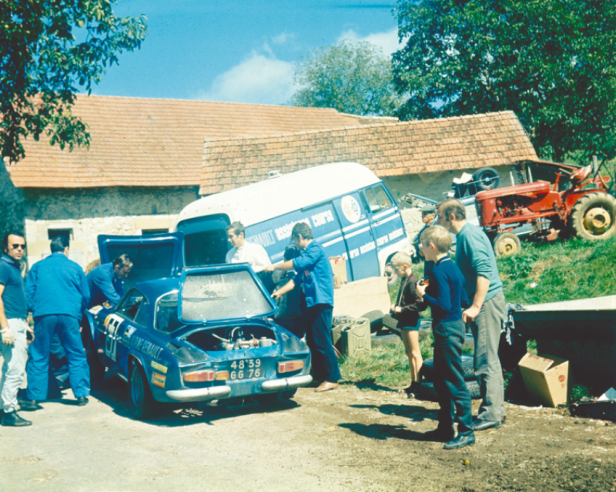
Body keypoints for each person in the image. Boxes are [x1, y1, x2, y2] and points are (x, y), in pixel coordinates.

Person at [437, 198, 507, 431]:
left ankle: (491, 414)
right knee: (487, 357)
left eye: (440, 216)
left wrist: (476, 306)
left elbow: (484, 271)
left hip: (486, 303)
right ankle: (496, 409)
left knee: (485, 359)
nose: (438, 221)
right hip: (484, 302)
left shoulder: (469, 236)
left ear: (451, 217)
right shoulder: (466, 235)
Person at [415, 225, 474, 450]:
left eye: (422, 243)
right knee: (440, 379)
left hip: (447, 329)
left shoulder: (439, 271)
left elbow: (444, 304)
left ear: (431, 246)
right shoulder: (452, 268)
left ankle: (466, 432)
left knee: (454, 380)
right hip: (454, 326)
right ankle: (445, 428)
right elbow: (462, 302)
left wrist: (424, 295)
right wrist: (432, 288)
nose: (420, 247)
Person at [264, 222, 341, 392]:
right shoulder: (307, 256)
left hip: (321, 302)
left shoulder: (315, 250)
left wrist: (275, 266)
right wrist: (278, 293)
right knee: (313, 340)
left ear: (299, 237)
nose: (295, 245)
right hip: (311, 302)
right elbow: (295, 281)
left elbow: (295, 264)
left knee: (322, 340)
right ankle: (320, 375)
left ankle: (332, 378)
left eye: (295, 240)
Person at [20, 236, 91, 409]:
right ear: (66, 249)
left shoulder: (37, 267)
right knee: (75, 353)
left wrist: (30, 312)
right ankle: (81, 395)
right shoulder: (75, 267)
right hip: (69, 314)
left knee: (39, 354)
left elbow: (28, 294)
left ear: (51, 249)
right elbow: (86, 295)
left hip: (44, 314)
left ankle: (35, 397)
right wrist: (78, 312)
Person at [0, 232, 32, 426]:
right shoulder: (4, 266)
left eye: (22, 246)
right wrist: (5, 328)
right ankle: (9, 412)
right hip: (9, 323)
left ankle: (4, 408)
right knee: (15, 370)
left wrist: (25, 325)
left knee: (8, 369)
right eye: (15, 246)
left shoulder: (13, 267)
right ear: (6, 248)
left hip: (17, 321)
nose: (20, 249)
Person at [389, 252, 425, 395]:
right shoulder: (405, 279)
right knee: (409, 352)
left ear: (404, 267)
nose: (395, 272)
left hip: (411, 320)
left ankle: (419, 383)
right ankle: (413, 381)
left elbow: (419, 305)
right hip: (404, 320)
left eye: (396, 269)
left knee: (415, 353)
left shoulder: (413, 282)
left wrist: (401, 309)